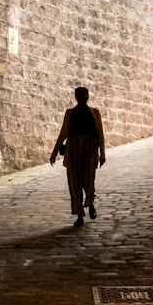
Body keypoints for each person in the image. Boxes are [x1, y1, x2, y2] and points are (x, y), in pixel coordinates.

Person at [50, 87, 106, 226]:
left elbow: (100, 133)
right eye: (79, 96)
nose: (82, 98)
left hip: (89, 150)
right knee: (74, 183)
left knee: (89, 180)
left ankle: (90, 202)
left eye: (84, 96)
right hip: (73, 150)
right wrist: (54, 152)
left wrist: (103, 154)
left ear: (88, 96)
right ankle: (80, 214)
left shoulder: (95, 112)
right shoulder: (70, 113)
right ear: (76, 97)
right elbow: (63, 133)